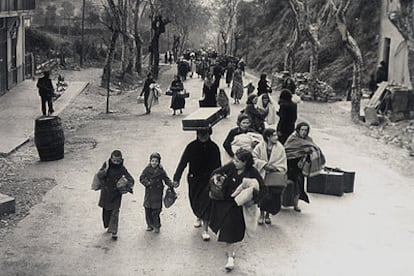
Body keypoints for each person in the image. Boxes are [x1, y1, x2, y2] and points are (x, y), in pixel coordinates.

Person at [209, 148, 265, 271]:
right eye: (234, 160)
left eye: (238, 161)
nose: (235, 162)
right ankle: (230, 257)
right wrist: (216, 180)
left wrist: (254, 200)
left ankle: (230, 254)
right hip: (226, 203)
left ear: (245, 162)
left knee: (233, 231)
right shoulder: (231, 167)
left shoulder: (252, 172)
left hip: (240, 207)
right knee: (228, 229)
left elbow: (262, 188)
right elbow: (216, 172)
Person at [173, 128, 221, 241]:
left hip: (208, 180)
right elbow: (183, 162)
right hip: (194, 179)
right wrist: (177, 178)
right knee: (195, 200)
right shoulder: (191, 147)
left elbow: (219, 165)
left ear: (209, 134)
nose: (202, 136)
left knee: (206, 203)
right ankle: (198, 216)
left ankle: (205, 229)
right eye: (200, 134)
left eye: (205, 134)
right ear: (197, 134)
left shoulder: (214, 148)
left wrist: (218, 179)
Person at [284, 122, 325, 212]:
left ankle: (296, 205)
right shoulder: (293, 139)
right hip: (290, 164)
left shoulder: (308, 140)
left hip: (301, 166)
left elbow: (315, 148)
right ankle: (283, 202)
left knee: (299, 184)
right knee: (288, 184)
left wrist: (309, 152)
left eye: (306, 130)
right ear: (298, 130)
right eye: (302, 130)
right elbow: (287, 150)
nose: (304, 132)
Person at [97, 150, 135, 240]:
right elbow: (99, 175)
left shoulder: (122, 168)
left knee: (115, 212)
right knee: (106, 211)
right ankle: (107, 225)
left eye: (118, 161)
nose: (116, 163)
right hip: (106, 192)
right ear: (111, 159)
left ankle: (114, 231)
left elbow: (130, 178)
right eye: (115, 160)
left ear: (121, 160)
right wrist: (104, 171)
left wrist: (127, 184)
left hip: (116, 194)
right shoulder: (106, 165)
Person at [252, 128, 287, 225]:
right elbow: (254, 158)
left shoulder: (280, 148)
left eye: (276, 135)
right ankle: (261, 214)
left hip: (274, 175)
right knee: (263, 195)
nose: (276, 137)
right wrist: (263, 164)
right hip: (263, 174)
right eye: (274, 135)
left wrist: (275, 168)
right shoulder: (260, 146)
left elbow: (282, 161)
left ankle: (268, 215)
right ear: (268, 137)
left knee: (273, 196)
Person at [139, 152, 173, 233]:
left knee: (156, 211)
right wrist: (147, 183)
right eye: (152, 161)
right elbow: (141, 178)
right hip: (149, 193)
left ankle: (157, 225)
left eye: (156, 161)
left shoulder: (161, 171)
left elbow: (166, 179)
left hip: (157, 193)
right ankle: (149, 225)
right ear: (150, 161)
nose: (154, 163)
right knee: (148, 210)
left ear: (159, 162)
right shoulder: (147, 170)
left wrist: (171, 184)